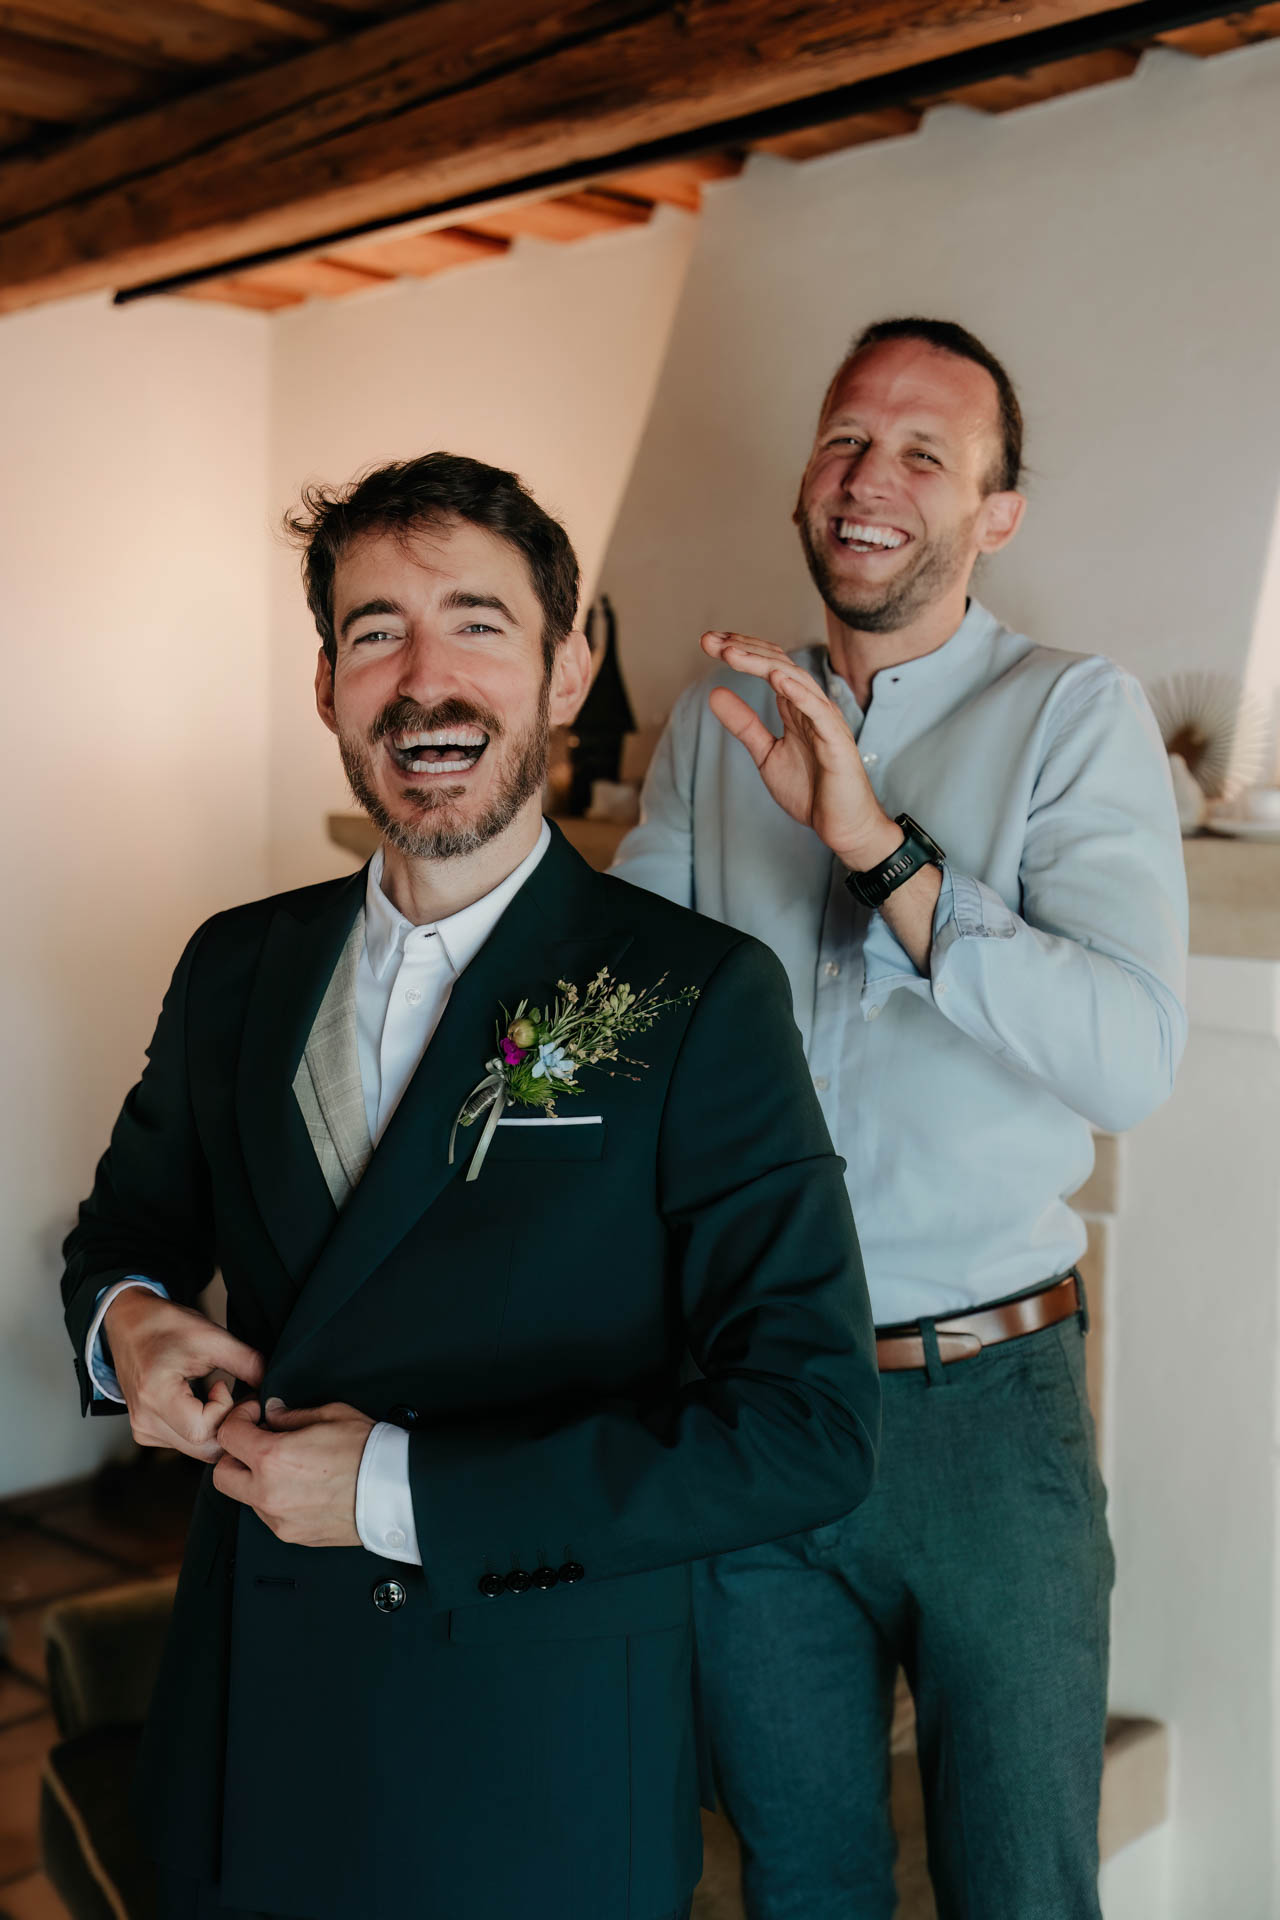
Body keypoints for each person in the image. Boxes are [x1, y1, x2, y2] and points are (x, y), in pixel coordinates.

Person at [61, 453, 880, 1920]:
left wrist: (397, 1488)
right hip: (247, 1731)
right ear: (328, 686)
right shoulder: (235, 966)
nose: (424, 682)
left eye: (478, 624)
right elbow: (125, 1234)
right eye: (377, 632)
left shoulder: (695, 995)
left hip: (529, 1766)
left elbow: (805, 1429)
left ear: (569, 671)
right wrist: (127, 1323)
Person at [612, 317, 1188, 1919]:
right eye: (847, 439)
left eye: (926, 453)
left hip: (984, 1416)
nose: (871, 477)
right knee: (799, 1887)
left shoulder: (1075, 714)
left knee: (1021, 1890)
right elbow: (621, 1021)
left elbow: (1131, 1059)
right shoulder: (712, 727)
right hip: (750, 1394)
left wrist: (880, 851)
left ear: (997, 513)